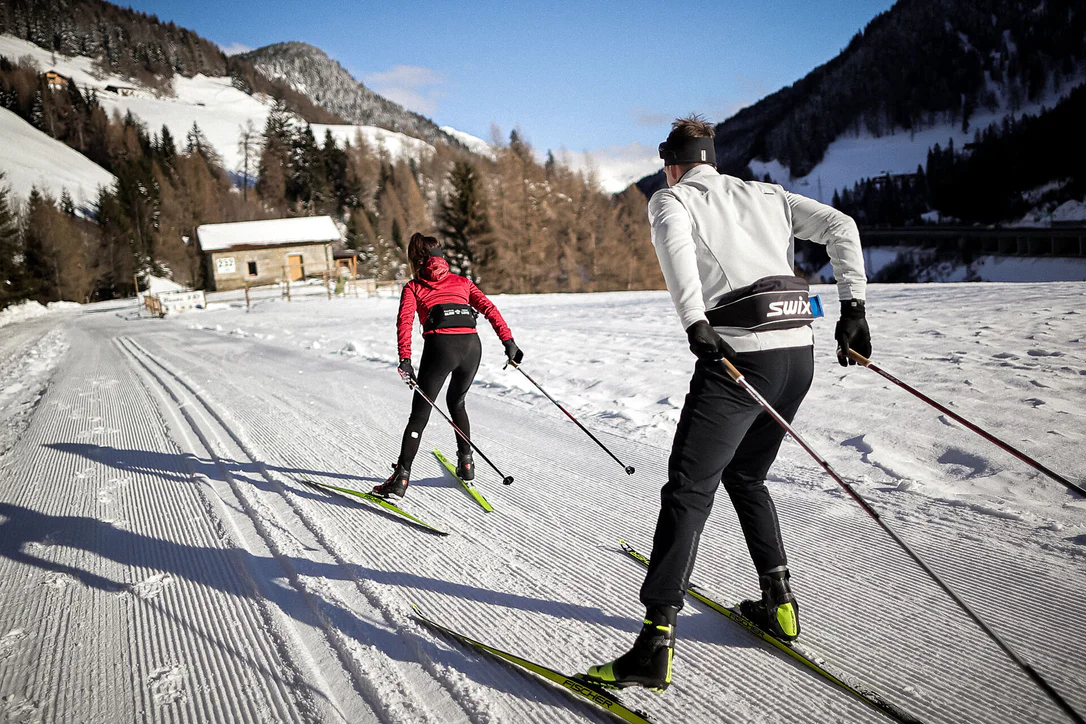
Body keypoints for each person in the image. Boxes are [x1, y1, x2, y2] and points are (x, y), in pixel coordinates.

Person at [585, 115, 870, 691]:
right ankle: (779, 602)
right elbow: (842, 226)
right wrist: (854, 307)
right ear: (711, 158)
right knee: (747, 476)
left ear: (672, 163)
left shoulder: (672, 201)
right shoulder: (766, 194)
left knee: (689, 491)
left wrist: (694, 322)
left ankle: (653, 644)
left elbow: (675, 255)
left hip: (739, 360)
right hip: (799, 357)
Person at [373, 232, 523, 498]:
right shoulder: (463, 282)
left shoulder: (414, 286)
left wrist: (405, 360)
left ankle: (401, 479)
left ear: (416, 258)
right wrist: (508, 342)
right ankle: (466, 464)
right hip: (471, 347)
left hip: (440, 348)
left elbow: (405, 323)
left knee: (420, 414)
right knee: (457, 402)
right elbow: (489, 308)